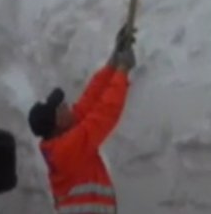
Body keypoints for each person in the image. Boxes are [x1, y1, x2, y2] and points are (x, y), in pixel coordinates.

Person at [28, 26, 137, 214]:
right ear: (58, 124)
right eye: (62, 108)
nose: (68, 106)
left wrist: (114, 61)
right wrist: (122, 71)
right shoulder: (67, 150)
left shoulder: (61, 142)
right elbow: (104, 114)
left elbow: (90, 101)